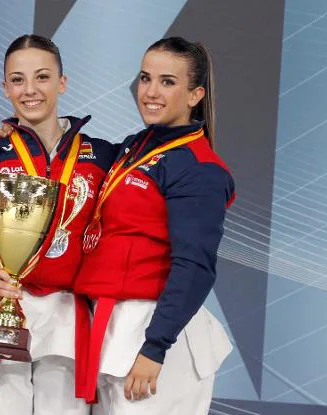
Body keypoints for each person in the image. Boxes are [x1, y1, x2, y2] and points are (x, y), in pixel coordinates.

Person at [0, 34, 116, 415]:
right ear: (4, 87)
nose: (30, 90)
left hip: (67, 321)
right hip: (1, 314)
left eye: (42, 77)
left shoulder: (102, 157)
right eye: (17, 79)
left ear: (62, 82)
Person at [74, 37, 235, 414]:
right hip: (116, 327)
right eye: (145, 78)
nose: (150, 92)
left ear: (195, 95)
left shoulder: (199, 168)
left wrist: (155, 347)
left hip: (159, 335)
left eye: (167, 82)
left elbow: (194, 266)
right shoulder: (137, 145)